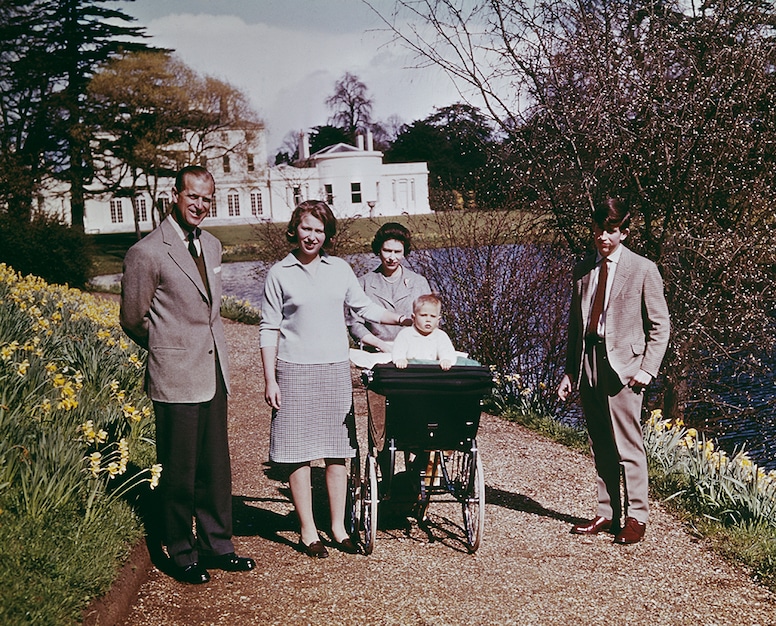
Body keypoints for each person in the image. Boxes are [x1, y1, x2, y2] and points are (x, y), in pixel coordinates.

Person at [120, 165, 255, 585]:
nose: (200, 205)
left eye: (207, 199)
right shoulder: (146, 252)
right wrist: (169, 347)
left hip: (213, 372)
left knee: (215, 466)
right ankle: (180, 550)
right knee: (178, 468)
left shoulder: (212, 245)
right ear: (174, 196)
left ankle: (218, 544)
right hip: (176, 373)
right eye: (192, 196)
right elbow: (133, 319)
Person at [260, 200, 411, 559]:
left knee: (336, 452)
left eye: (318, 229)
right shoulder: (279, 273)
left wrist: (402, 321)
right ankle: (307, 530)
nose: (311, 236)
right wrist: (270, 379)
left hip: (334, 370)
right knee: (297, 454)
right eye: (305, 228)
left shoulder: (340, 269)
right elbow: (268, 328)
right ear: (295, 230)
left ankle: (339, 527)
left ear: (327, 234)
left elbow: (365, 308)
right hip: (293, 370)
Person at [557, 197, 670, 545]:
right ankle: (608, 513)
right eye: (597, 231)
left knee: (628, 445)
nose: (602, 238)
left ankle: (637, 517)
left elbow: (660, 326)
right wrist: (569, 373)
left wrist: (647, 370)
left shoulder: (643, 269)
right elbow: (575, 327)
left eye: (610, 231)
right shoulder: (583, 269)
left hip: (624, 368)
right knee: (600, 442)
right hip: (588, 361)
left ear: (624, 231)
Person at [348, 222, 431, 353]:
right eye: (387, 251)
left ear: (404, 252)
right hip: (375, 351)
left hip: (413, 350)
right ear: (378, 251)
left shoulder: (419, 282)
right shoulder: (363, 283)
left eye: (397, 252)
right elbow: (355, 325)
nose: (392, 257)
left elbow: (430, 320)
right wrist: (381, 345)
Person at [392, 294, 457, 370]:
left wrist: (446, 360)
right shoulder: (406, 334)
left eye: (432, 316)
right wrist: (400, 359)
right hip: (410, 373)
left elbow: (447, 351)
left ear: (438, 320)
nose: (428, 320)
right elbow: (398, 350)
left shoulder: (440, 336)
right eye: (423, 315)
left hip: (432, 374)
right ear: (413, 318)